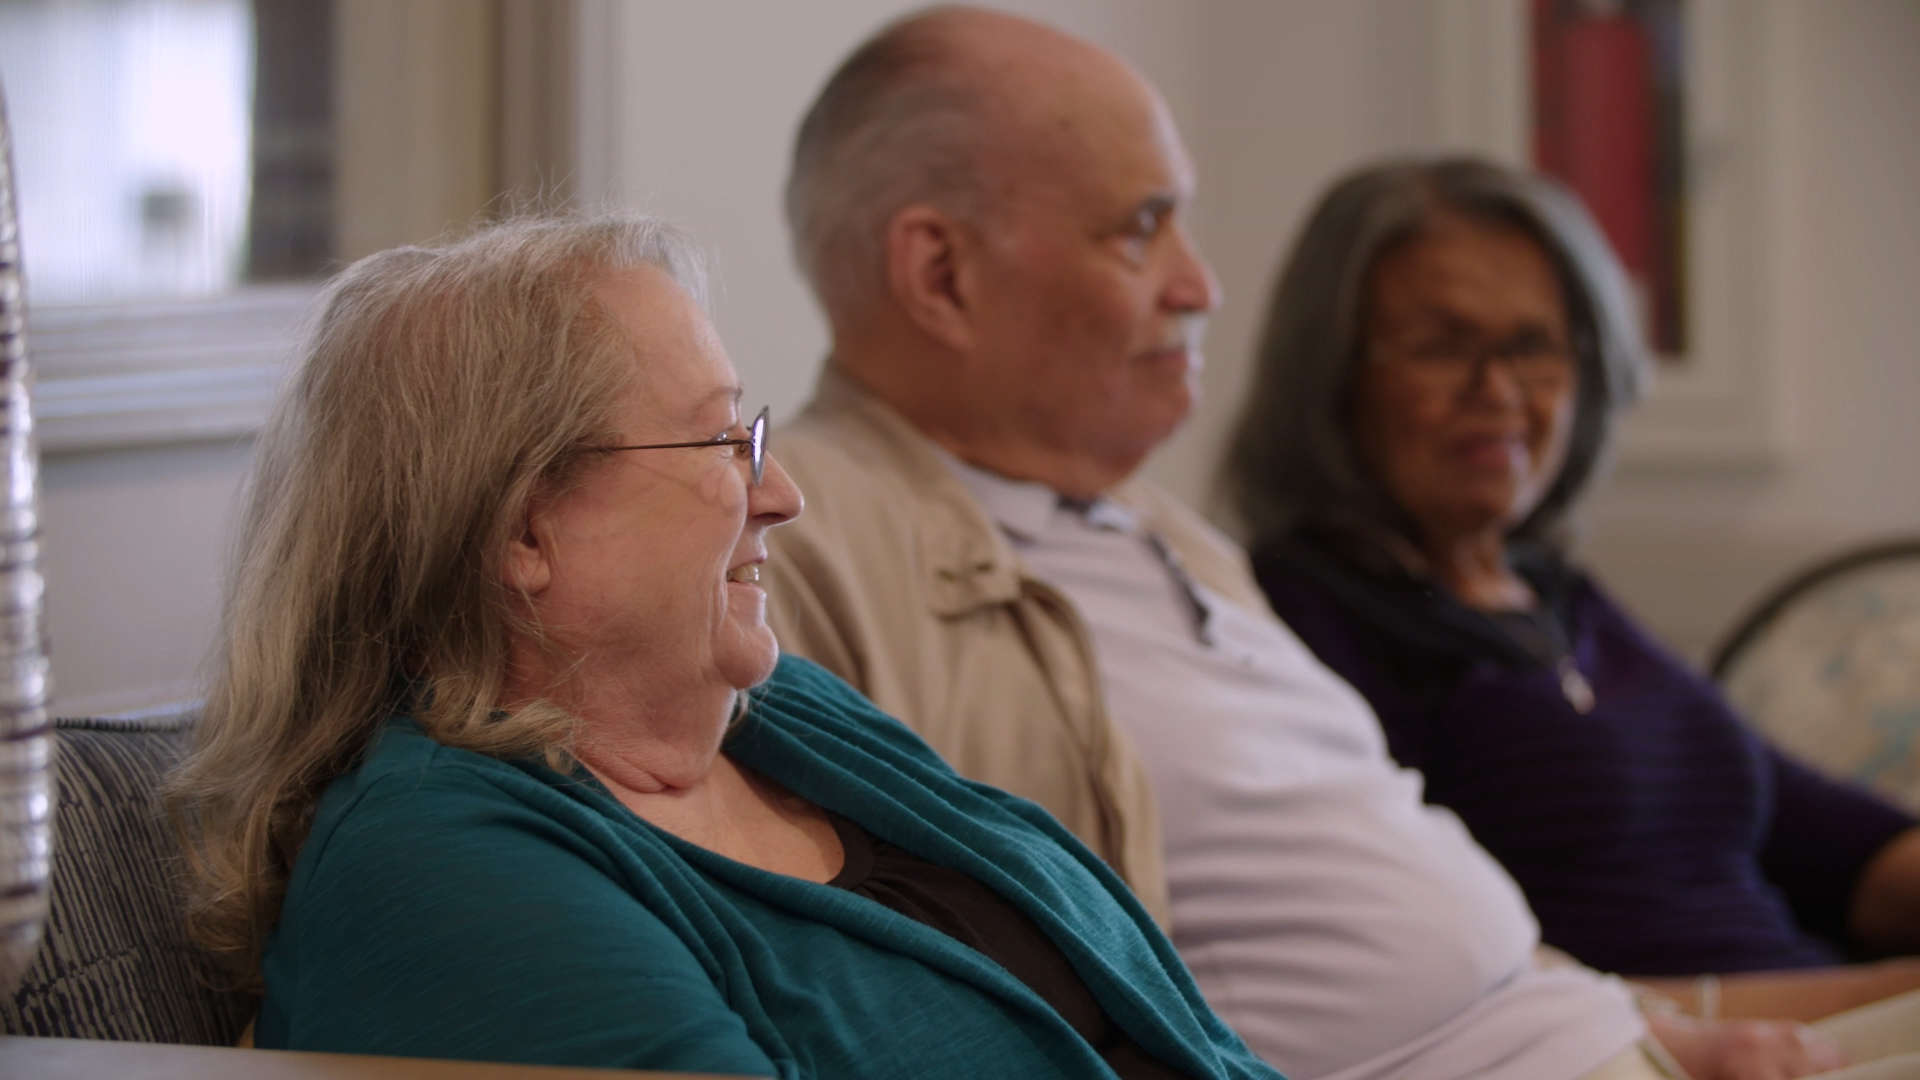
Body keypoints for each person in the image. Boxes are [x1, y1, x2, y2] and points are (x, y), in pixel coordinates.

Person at [762, 6, 1869, 1079]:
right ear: (942, 275)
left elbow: (1405, 874)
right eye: (1142, 227)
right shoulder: (796, 539)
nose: (1201, 285)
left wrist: (1652, 1025)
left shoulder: (1173, 538)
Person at [164, 215, 1289, 1080]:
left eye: (752, 435)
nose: (782, 496)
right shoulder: (439, 866)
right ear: (522, 530)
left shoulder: (792, 716)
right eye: (719, 441)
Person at [1220, 157, 1920, 1024]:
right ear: (1330, 377)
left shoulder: (1556, 595)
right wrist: (1872, 999)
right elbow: (1456, 997)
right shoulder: (1302, 619)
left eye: (1533, 346)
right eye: (1442, 346)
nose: (1501, 393)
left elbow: (1841, 848)